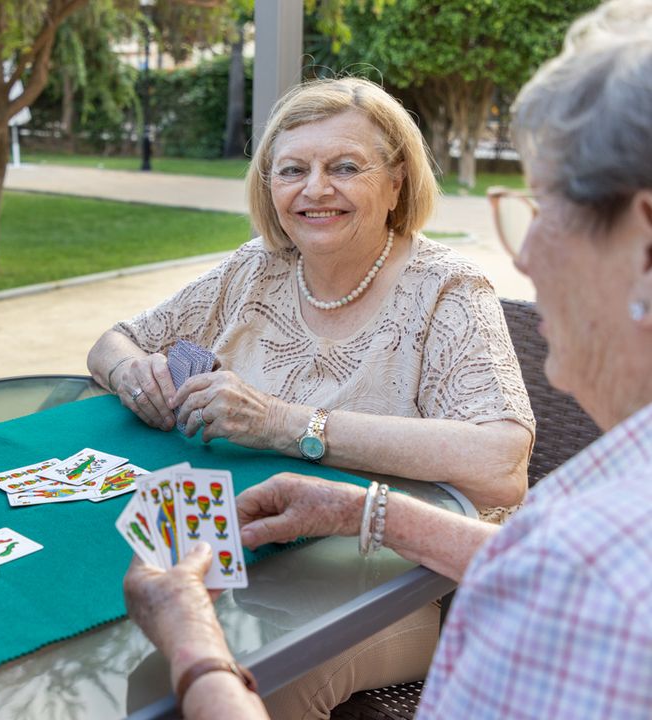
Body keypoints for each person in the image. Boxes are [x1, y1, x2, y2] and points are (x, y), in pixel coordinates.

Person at [124, 1, 652, 717]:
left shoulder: (604, 582)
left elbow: (513, 485)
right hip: (305, 555)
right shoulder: (606, 497)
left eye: (545, 212)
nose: (525, 255)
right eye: (293, 169)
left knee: (175, 677)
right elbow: (539, 565)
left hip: (393, 593)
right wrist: (369, 510)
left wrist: (193, 648)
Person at [91, 77, 534, 715]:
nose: (315, 189)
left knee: (251, 678)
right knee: (141, 663)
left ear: (397, 182)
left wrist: (284, 423)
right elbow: (114, 343)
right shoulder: (257, 266)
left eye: (345, 167)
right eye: (293, 170)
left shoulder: (447, 288)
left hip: (401, 584)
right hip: (252, 555)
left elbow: (500, 463)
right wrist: (135, 373)